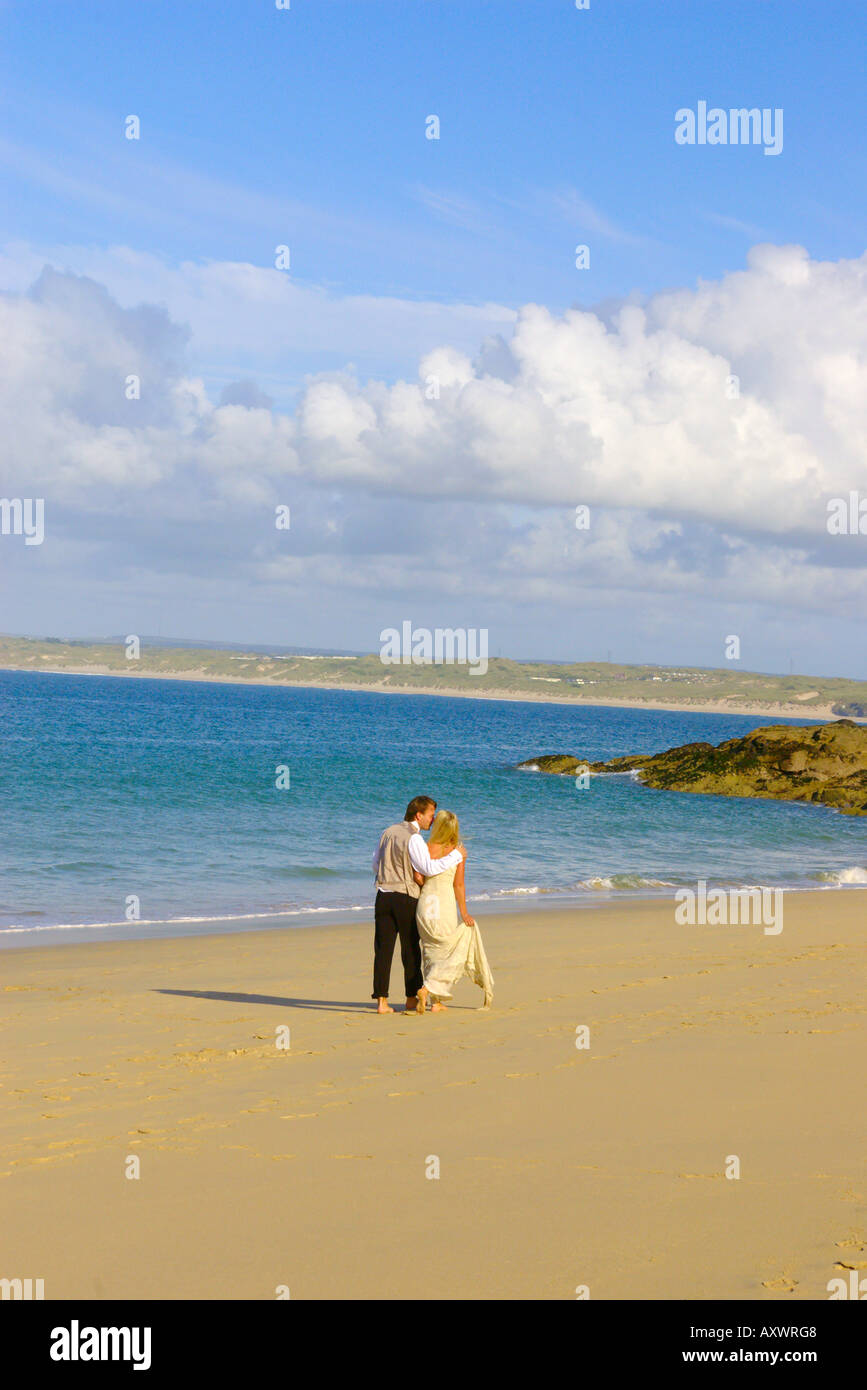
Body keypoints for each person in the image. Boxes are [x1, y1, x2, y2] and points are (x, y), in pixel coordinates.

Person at [371, 796, 467, 1014]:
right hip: (405, 897)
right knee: (410, 950)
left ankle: (382, 1002)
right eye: (430, 815)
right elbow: (428, 868)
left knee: (383, 950)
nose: (432, 820)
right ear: (418, 815)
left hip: (383, 895)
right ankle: (411, 998)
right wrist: (456, 856)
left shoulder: (387, 832)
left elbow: (375, 863)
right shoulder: (414, 838)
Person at [415, 810, 493, 1013]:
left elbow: (419, 878)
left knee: (430, 950)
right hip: (444, 904)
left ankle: (436, 1002)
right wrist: (464, 913)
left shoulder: (425, 847)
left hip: (425, 904)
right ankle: (428, 990)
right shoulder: (457, 852)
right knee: (446, 951)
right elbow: (458, 885)